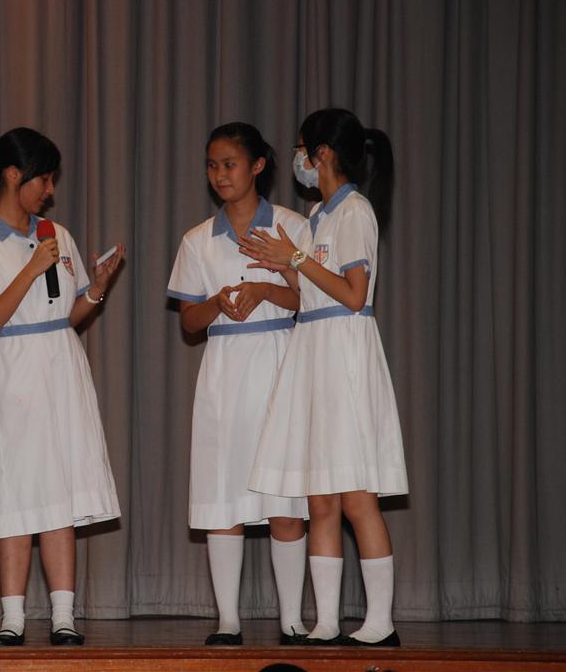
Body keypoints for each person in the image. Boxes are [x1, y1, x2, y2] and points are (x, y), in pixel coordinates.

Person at [244, 108, 408, 647]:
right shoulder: (317, 215)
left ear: (323, 154)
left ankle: (381, 622)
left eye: (302, 149)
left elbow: (354, 294)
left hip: (343, 351)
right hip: (313, 349)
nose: (298, 161)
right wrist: (283, 266)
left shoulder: (354, 211)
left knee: (357, 496)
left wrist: (295, 258)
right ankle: (328, 620)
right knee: (320, 502)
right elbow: (314, 286)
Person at [0, 127, 123, 647]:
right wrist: (31, 268)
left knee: (59, 491)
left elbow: (66, 315)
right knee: (14, 492)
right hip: (14, 372)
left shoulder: (58, 234)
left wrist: (96, 289)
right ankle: (12, 617)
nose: (49, 191)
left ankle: (63, 615)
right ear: (13, 174)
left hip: (60, 367)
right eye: (43, 179)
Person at [167, 122, 309, 647]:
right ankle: (227, 619)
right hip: (224, 371)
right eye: (212, 165)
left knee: (285, 502)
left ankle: (292, 619)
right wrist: (218, 301)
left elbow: (319, 299)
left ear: (257, 166)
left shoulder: (293, 227)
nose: (220, 174)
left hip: (280, 365)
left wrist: (266, 290)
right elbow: (188, 321)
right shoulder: (197, 240)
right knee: (221, 497)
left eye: (229, 164)